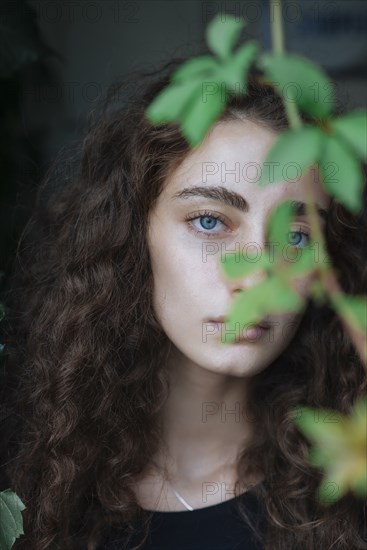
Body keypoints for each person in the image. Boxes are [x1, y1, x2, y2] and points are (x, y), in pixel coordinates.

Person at [1, 57, 366, 550]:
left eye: (297, 237)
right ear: (133, 236)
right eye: (211, 222)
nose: (257, 276)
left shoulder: (349, 491)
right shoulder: (32, 470)